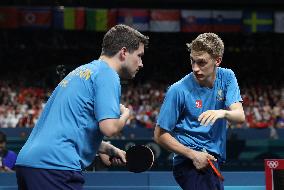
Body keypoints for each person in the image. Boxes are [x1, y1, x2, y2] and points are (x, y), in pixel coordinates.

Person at [15, 24, 149, 190]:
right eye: (139, 56)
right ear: (123, 52)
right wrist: (126, 114)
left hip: (28, 164)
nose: (141, 63)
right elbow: (110, 128)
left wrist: (110, 150)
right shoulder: (108, 75)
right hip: (55, 166)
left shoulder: (79, 73)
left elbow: (71, 131)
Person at [154, 33, 245, 190]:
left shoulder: (227, 77)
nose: (195, 68)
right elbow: (159, 134)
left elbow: (240, 116)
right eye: (192, 61)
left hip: (211, 161)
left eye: (202, 62)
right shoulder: (178, 90)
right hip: (190, 163)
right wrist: (193, 155)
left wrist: (222, 113)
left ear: (217, 60)